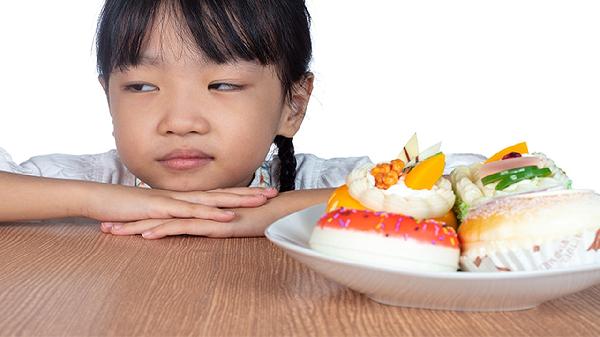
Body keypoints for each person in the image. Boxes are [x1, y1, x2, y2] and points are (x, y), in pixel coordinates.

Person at [0, 0, 372, 239]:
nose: (180, 122)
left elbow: (423, 195)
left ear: (293, 104)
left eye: (223, 84)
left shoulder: (322, 185)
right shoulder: (83, 182)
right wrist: (91, 200)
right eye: (142, 87)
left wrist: (272, 214)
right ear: (109, 100)